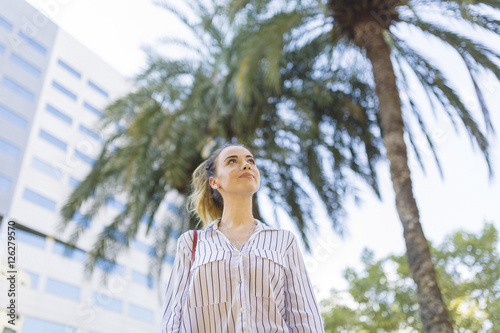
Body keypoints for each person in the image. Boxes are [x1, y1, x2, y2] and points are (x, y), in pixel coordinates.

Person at [161, 143, 325, 333]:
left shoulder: (284, 241)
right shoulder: (191, 243)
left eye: (251, 161)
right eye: (232, 161)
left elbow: (305, 318)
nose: (247, 165)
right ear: (214, 182)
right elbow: (173, 318)